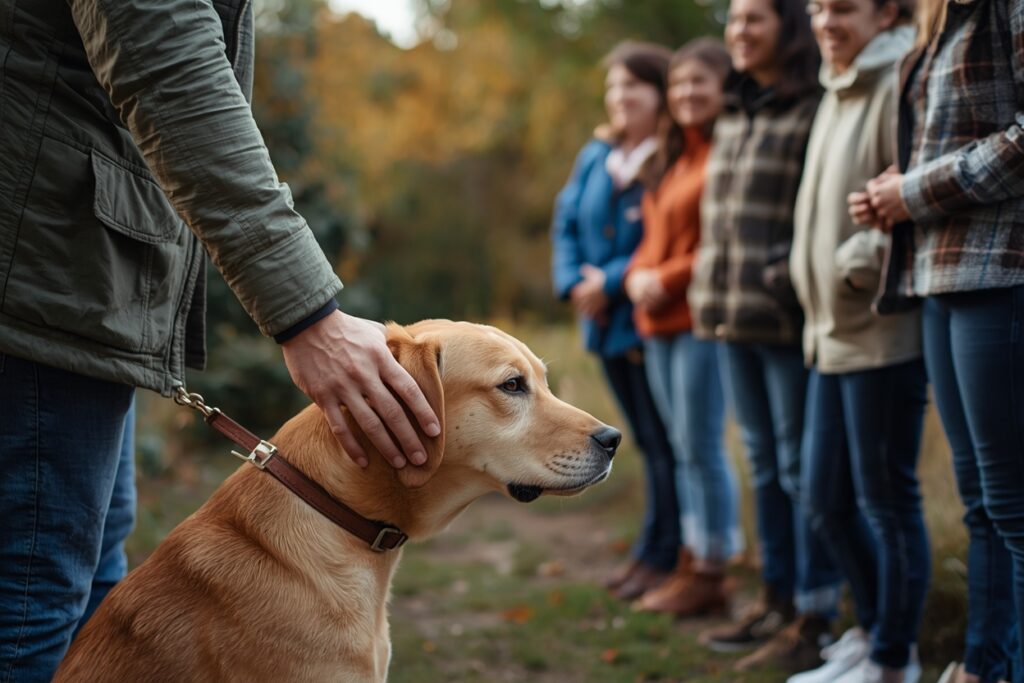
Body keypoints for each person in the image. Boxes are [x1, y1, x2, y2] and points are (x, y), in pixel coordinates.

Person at [0, 3, 439, 681]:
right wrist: (308, 315)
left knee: (85, 596)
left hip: (70, 295)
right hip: (42, 291)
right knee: (31, 614)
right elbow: (169, 66)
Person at [854, 1, 1024, 681]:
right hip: (941, 276)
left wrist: (914, 191)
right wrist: (891, 196)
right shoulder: (936, 22)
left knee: (1014, 505)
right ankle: (984, 665)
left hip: (1003, 270)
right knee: (981, 499)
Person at [688, 0, 843, 674]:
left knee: (798, 466)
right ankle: (776, 597)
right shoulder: (735, 107)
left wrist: (782, 277)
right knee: (762, 461)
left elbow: (824, 209)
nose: (739, 32)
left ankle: (816, 611)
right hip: (725, 316)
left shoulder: (814, 105)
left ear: (789, 25)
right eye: (734, 20)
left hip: (784, 318)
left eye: (756, 19)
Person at [785, 2, 925, 682]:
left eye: (842, 7)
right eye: (816, 7)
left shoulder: (901, 75)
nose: (824, 20)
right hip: (829, 333)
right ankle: (873, 632)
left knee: (887, 502)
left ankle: (896, 657)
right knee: (825, 499)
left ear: (887, 11)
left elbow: (913, 195)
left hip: (882, 327)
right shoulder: (836, 84)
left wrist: (854, 264)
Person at [551, 41, 682, 602]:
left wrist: (605, 281)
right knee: (649, 443)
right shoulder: (595, 154)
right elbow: (565, 223)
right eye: (615, 86)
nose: (621, 96)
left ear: (661, 94)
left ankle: (666, 555)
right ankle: (650, 553)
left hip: (647, 323)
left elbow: (665, 236)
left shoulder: (672, 154)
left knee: (662, 443)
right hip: (601, 327)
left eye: (634, 85)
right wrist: (575, 284)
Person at [623, 38, 742, 619]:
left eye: (700, 82)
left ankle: (713, 567)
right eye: (680, 84)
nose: (688, 93)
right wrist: (638, 274)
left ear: (724, 87)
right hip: (658, 323)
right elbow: (651, 237)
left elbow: (722, 242)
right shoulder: (674, 157)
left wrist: (663, 278)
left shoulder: (727, 152)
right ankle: (692, 561)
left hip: (698, 318)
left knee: (701, 447)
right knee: (680, 447)